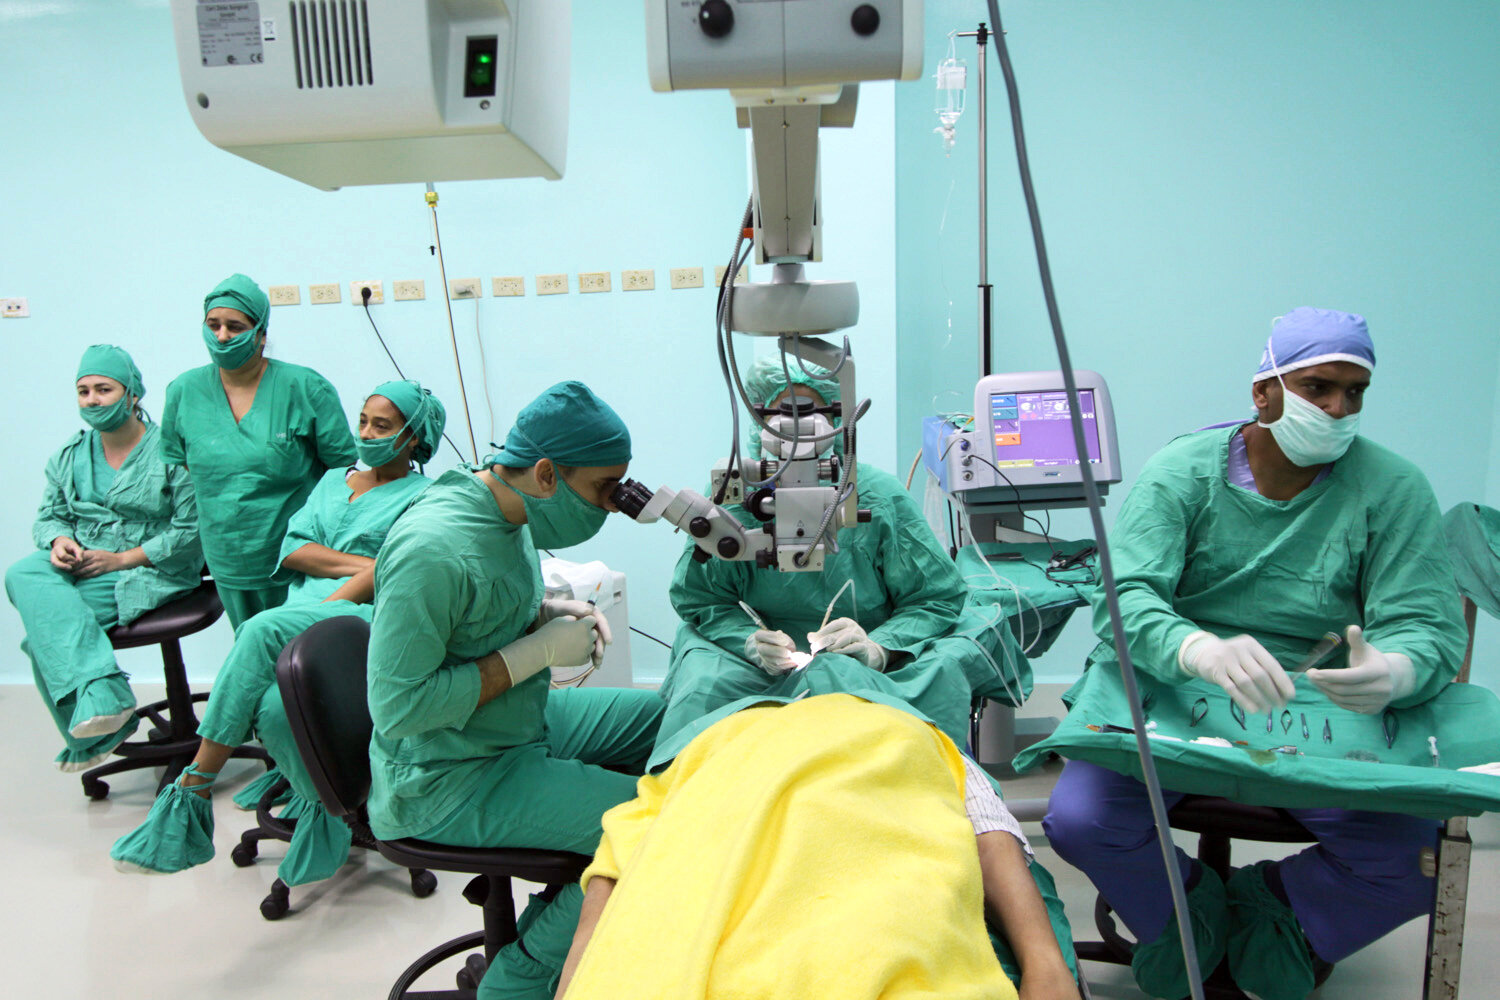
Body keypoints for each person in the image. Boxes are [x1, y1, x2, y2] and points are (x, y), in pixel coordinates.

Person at [1040, 308, 1468, 1000]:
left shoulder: (1391, 488)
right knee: (1082, 820)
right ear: (1262, 392)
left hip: (1318, 708)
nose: (1338, 408)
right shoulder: (1181, 473)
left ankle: (1274, 908)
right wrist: (1195, 648)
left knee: (1415, 861)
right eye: (1318, 387)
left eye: (1355, 392)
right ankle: (1192, 909)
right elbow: (1125, 599)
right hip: (1178, 690)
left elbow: (1427, 622)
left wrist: (1394, 669)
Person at [365, 381, 664, 1000]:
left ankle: (568, 902)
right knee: (659, 829)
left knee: (670, 721)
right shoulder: (434, 546)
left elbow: (479, 614)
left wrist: (546, 612)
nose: (613, 505)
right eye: (603, 489)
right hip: (449, 774)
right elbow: (398, 709)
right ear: (548, 473)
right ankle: (520, 978)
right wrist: (537, 652)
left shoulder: (507, 507)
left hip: (515, 719)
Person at [111, 381, 445, 881]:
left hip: (365, 619)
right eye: (363, 421)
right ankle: (327, 812)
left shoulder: (428, 496)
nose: (367, 434)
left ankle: (196, 783)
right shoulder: (335, 479)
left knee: (261, 628)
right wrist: (365, 564)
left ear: (414, 438)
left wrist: (347, 576)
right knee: (272, 706)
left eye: (383, 426)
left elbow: (401, 570)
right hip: (307, 607)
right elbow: (293, 551)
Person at [554, 694, 1080, 1000]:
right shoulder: (715, 738)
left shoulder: (914, 728)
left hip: (874, 833)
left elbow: (620, 853)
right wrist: (1043, 962)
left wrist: (1044, 964)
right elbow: (990, 827)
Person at [656, 356, 979, 755]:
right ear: (759, 417)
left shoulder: (878, 497)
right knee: (703, 683)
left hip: (866, 664)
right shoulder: (736, 499)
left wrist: (879, 648)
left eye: (812, 412)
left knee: (893, 707)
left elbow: (935, 597)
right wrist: (749, 642)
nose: (798, 429)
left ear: (839, 417)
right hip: (762, 668)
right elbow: (700, 597)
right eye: (783, 413)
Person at [6, 345, 202, 772]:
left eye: (104, 389)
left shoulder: (170, 452)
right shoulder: (69, 456)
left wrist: (122, 559)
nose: (92, 399)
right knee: (22, 571)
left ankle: (103, 721)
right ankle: (106, 697)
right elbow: (50, 516)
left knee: (44, 640)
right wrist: (59, 540)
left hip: (148, 569)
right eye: (83, 391)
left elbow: (191, 531)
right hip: (83, 564)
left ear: (133, 394)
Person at [160, 273, 357, 629]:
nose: (222, 336)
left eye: (235, 326)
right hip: (228, 556)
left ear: (261, 333)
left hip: (296, 555)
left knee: (303, 660)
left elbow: (341, 471)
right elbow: (189, 469)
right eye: (213, 325)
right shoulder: (183, 392)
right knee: (251, 651)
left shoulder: (304, 387)